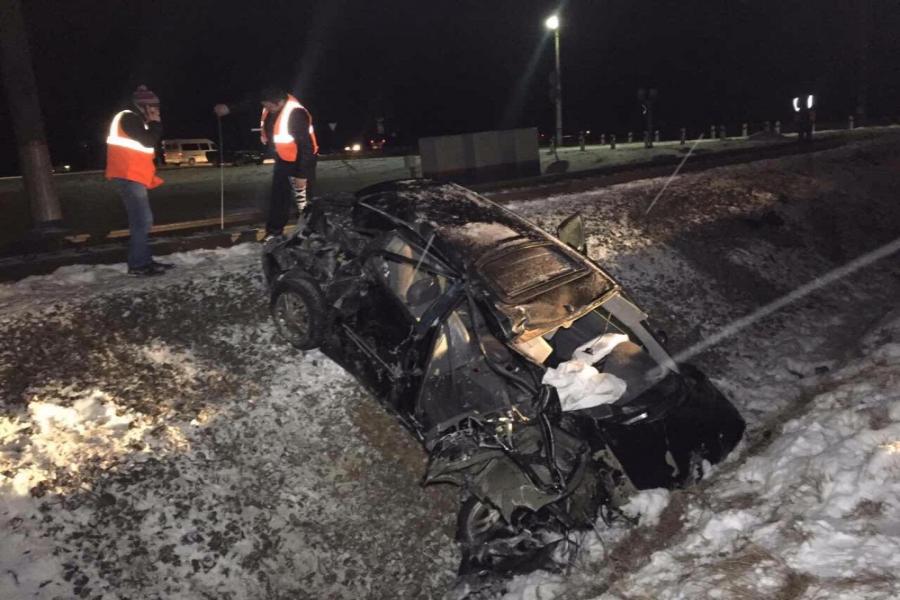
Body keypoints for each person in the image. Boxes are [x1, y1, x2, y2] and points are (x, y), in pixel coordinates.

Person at [213, 87, 318, 240]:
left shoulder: (296, 114)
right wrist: (229, 108)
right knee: (278, 198)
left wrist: (302, 175)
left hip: (301, 161)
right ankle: (274, 233)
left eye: (269, 107)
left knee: (302, 201)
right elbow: (251, 102)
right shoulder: (271, 100)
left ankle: (310, 234)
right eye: (265, 106)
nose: (267, 109)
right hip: (283, 160)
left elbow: (307, 148)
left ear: (280, 102)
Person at [105, 85, 173, 276]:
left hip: (133, 175)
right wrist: (155, 123)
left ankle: (144, 260)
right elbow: (148, 141)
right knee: (142, 221)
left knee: (142, 221)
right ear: (143, 106)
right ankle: (138, 265)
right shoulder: (128, 118)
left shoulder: (134, 119)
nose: (156, 110)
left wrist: (151, 123)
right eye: (153, 106)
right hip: (128, 175)